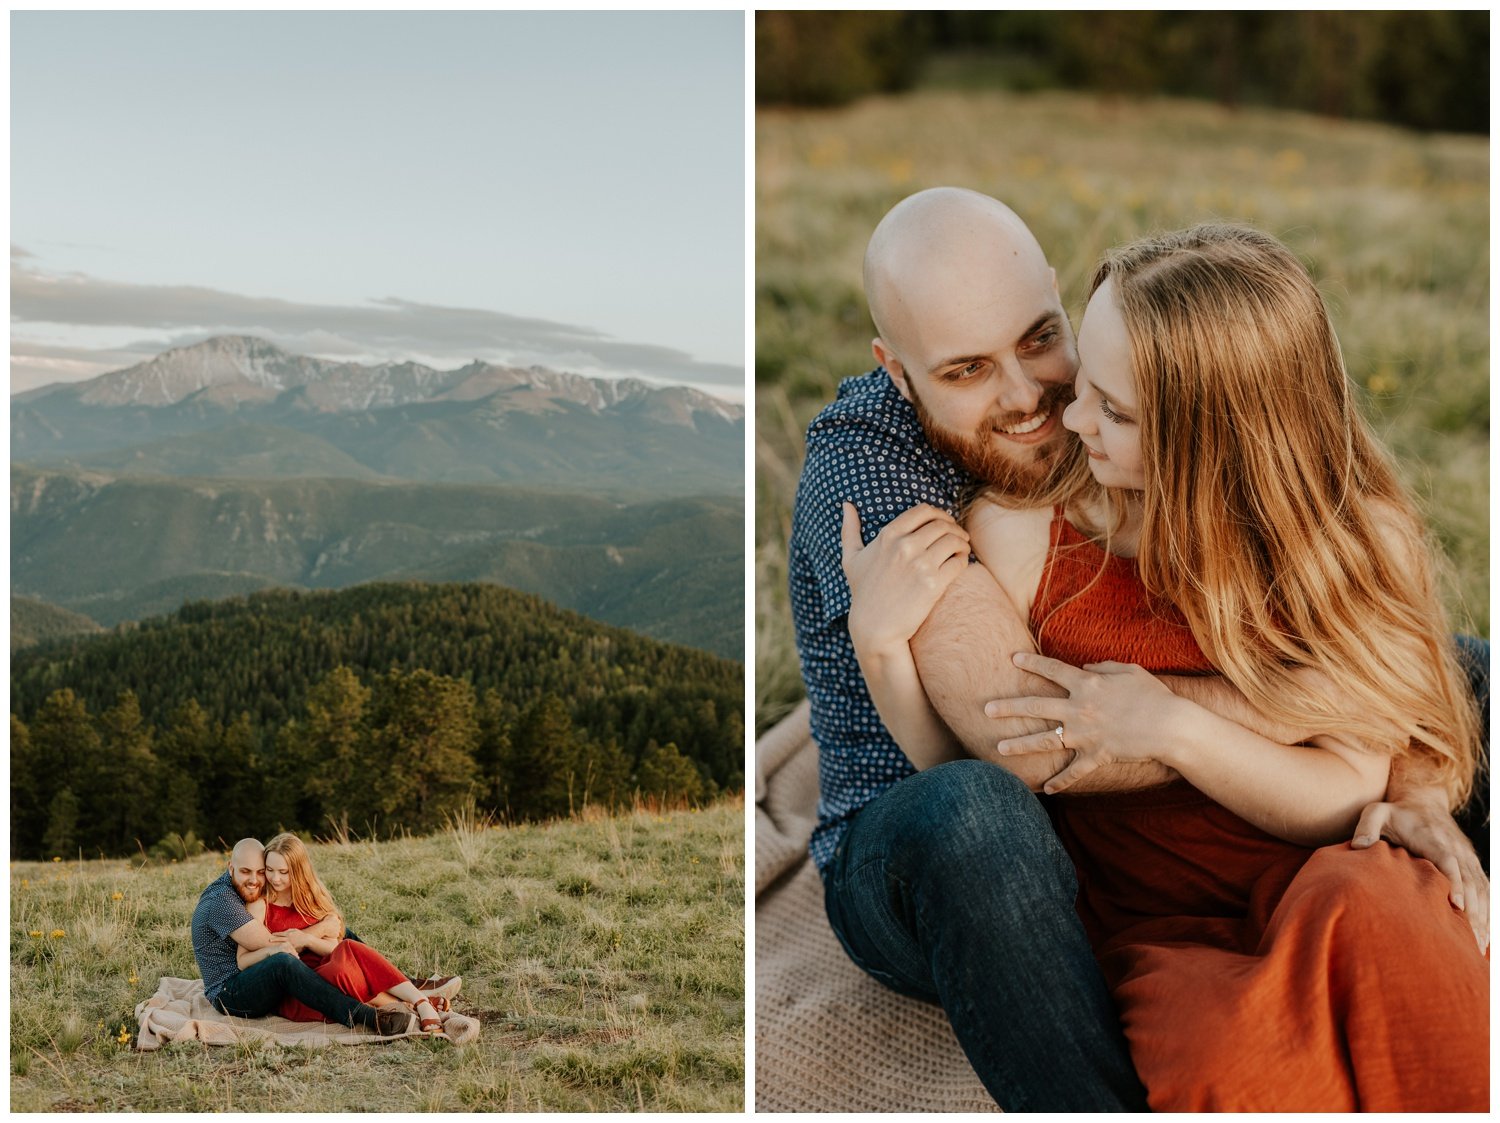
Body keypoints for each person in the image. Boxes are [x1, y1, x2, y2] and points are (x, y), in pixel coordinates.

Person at [789, 186, 1488, 1110]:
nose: (1049, 409)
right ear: (899, 371)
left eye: (1050, 348)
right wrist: (883, 656)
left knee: (1444, 753)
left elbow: (1351, 772)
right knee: (1219, 1042)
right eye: (965, 370)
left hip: (1302, 859)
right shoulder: (914, 490)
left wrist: (1400, 774)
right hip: (1004, 871)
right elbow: (1011, 760)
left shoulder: (1329, 537)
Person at [191, 838, 415, 1037]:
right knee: (284, 962)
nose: (255, 880)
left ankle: (398, 982)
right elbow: (279, 943)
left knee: (343, 936)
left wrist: (323, 928)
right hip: (230, 993)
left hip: (254, 977)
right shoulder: (221, 901)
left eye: (261, 872)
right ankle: (366, 1016)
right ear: (231, 868)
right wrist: (321, 928)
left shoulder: (244, 888)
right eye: (245, 871)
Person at [244, 833, 449, 1036]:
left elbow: (333, 947)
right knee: (342, 969)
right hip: (303, 992)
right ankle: (412, 1001)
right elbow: (252, 956)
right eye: (269, 870)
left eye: (283, 871)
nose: (275, 878)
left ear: (298, 871)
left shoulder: (310, 898)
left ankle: (418, 1002)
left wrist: (306, 939)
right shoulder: (260, 904)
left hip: (333, 973)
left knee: (346, 952)